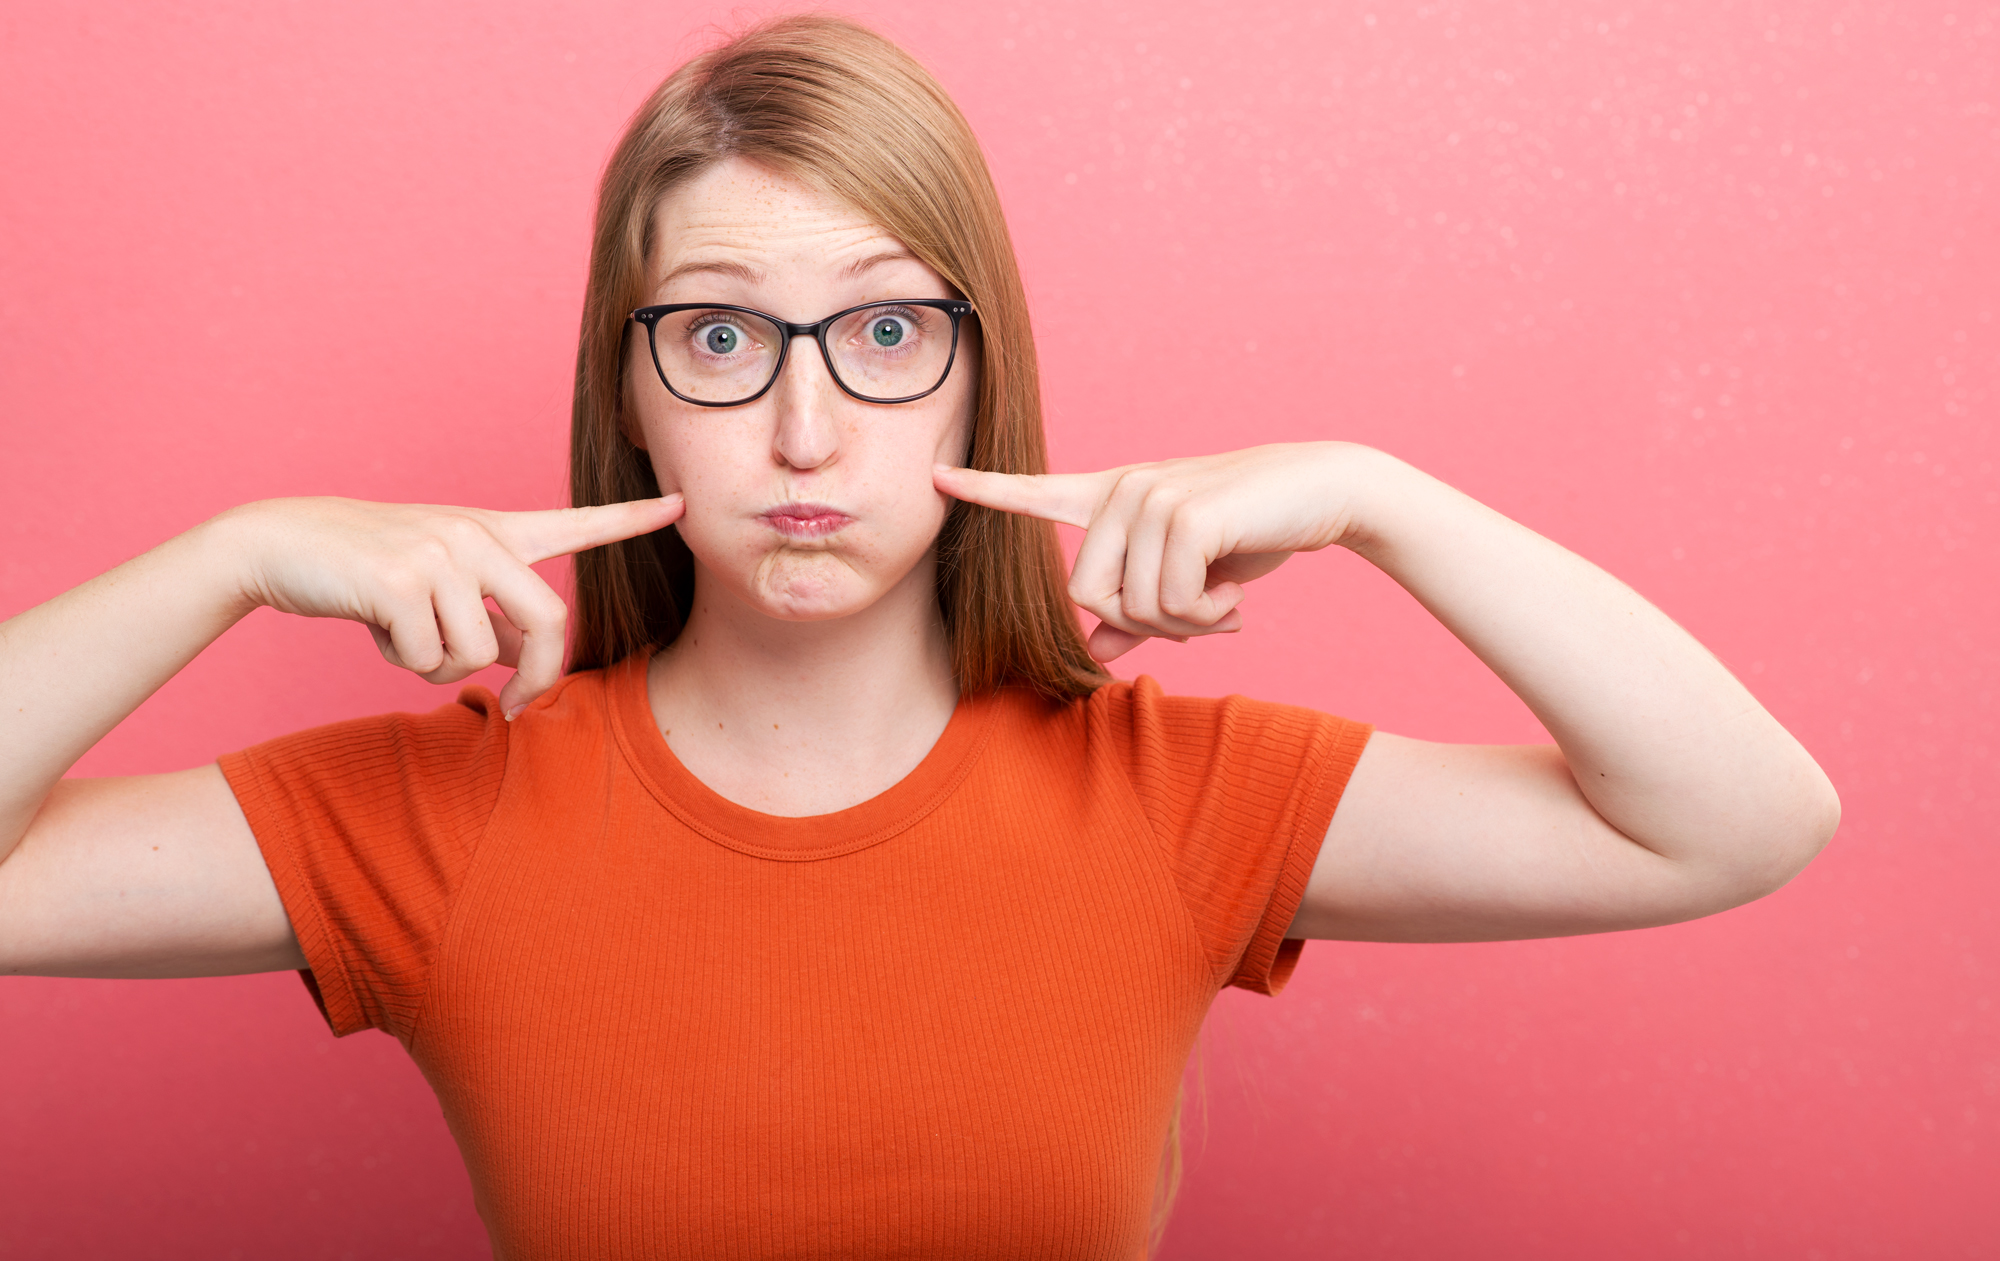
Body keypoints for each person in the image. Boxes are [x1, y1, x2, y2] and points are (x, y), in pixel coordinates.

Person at [0, 13, 1838, 1259]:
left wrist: (1380, 496)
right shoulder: (435, 823)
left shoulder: (1176, 796)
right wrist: (231, 555)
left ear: (979, 381)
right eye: (721, 338)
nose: (807, 435)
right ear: (632, 393)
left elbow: (1737, 817)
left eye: (887, 337)